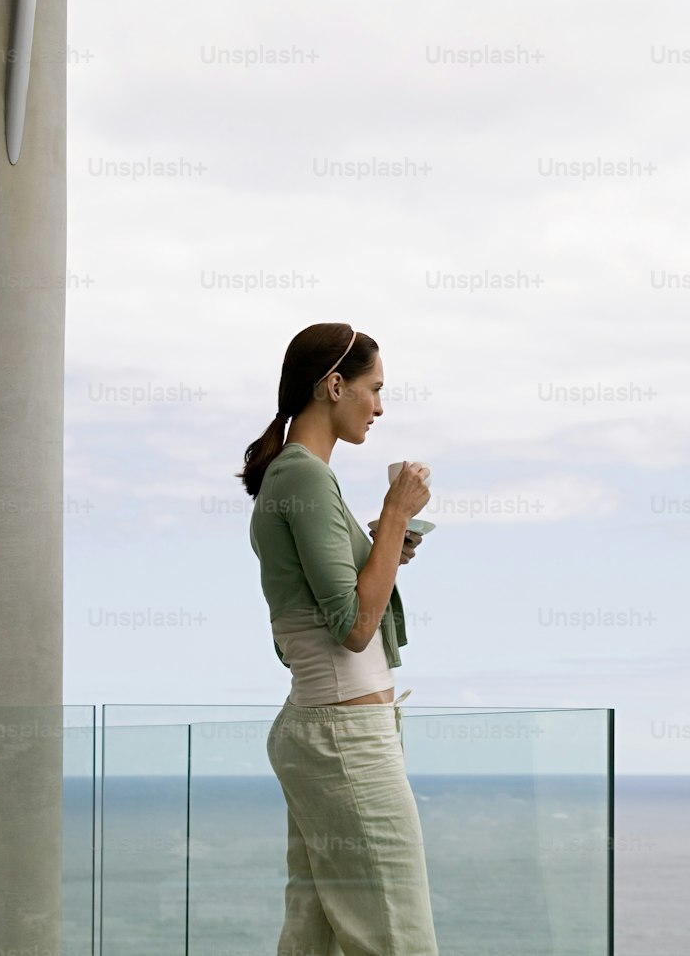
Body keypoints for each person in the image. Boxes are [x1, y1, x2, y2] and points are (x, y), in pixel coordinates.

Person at [240, 322, 440, 956]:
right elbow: (354, 627)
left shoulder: (296, 475)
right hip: (344, 735)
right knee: (396, 935)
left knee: (315, 931)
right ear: (334, 385)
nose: (379, 407)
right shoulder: (303, 476)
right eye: (374, 389)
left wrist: (385, 543)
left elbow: (317, 613)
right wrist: (398, 515)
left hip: (328, 729)